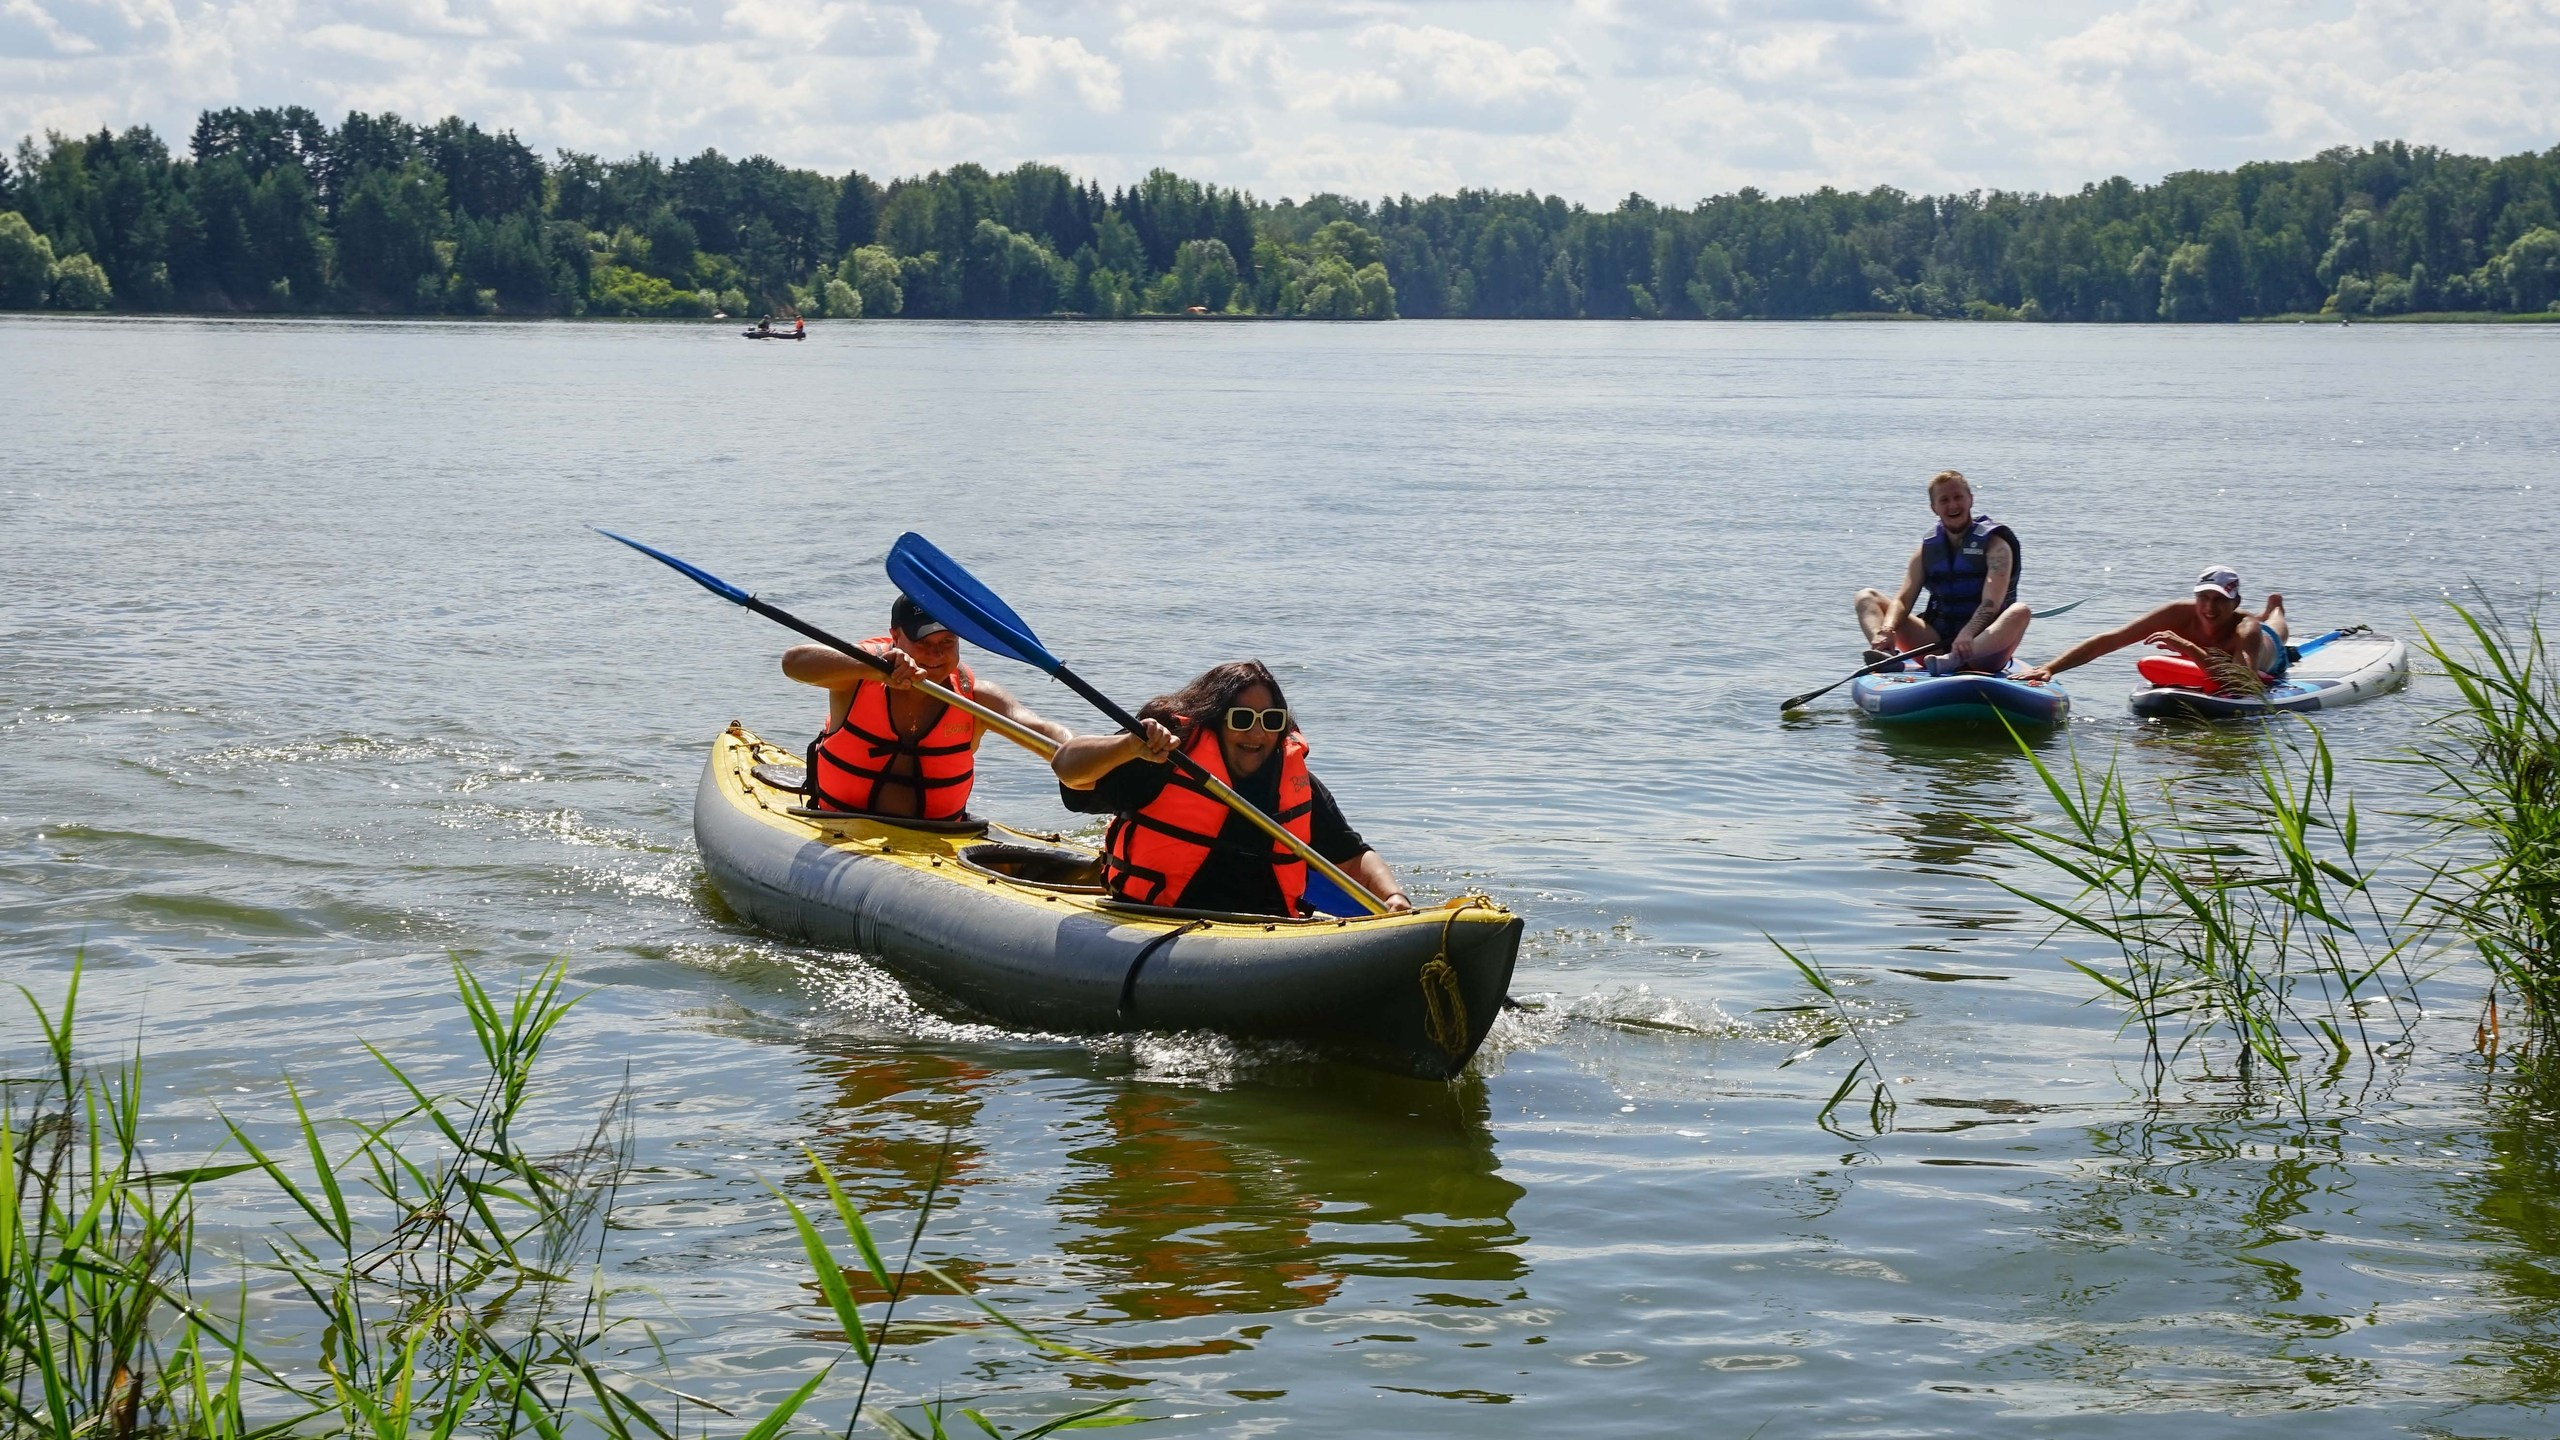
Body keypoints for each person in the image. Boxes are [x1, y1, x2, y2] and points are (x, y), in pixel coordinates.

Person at [1051, 661, 1412, 916]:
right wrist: (1129, 745)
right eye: (1241, 719)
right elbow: (1067, 768)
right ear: (1214, 722)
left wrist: (1393, 896)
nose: (1257, 734)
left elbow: (1352, 857)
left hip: (1263, 928)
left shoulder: (1292, 779)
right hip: (1158, 919)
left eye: (1271, 721)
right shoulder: (1163, 760)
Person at [783, 594, 1069, 820]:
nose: (936, 653)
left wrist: (1085, 752)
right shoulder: (855, 676)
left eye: (947, 641)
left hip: (939, 837)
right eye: (923, 641)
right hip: (840, 822)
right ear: (895, 636)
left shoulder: (974, 696)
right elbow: (793, 663)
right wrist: (874, 671)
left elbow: (1041, 729)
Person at [1854, 469, 2034, 675]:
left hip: (1983, 650)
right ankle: (1885, 654)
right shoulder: (1927, 550)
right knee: (1866, 597)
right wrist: (1887, 629)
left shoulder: (1996, 547)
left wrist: (1968, 634)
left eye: (1958, 497)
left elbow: (1990, 604)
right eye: (1944, 500)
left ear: (1970, 500)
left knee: (2021, 611)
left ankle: (1955, 659)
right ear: (1934, 508)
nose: (1953, 505)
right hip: (1935, 646)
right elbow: (1903, 601)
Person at [2014, 567, 2290, 687]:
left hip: (2267, 650)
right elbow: (2111, 640)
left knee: (2277, 629)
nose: (2209, 608)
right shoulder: (2177, 613)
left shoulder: (2247, 630)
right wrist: (2050, 667)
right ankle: (2270, 610)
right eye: (2203, 598)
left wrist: (2187, 647)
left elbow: (2243, 682)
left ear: (2235, 602)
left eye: (2220, 600)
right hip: (2215, 651)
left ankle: (2274, 608)